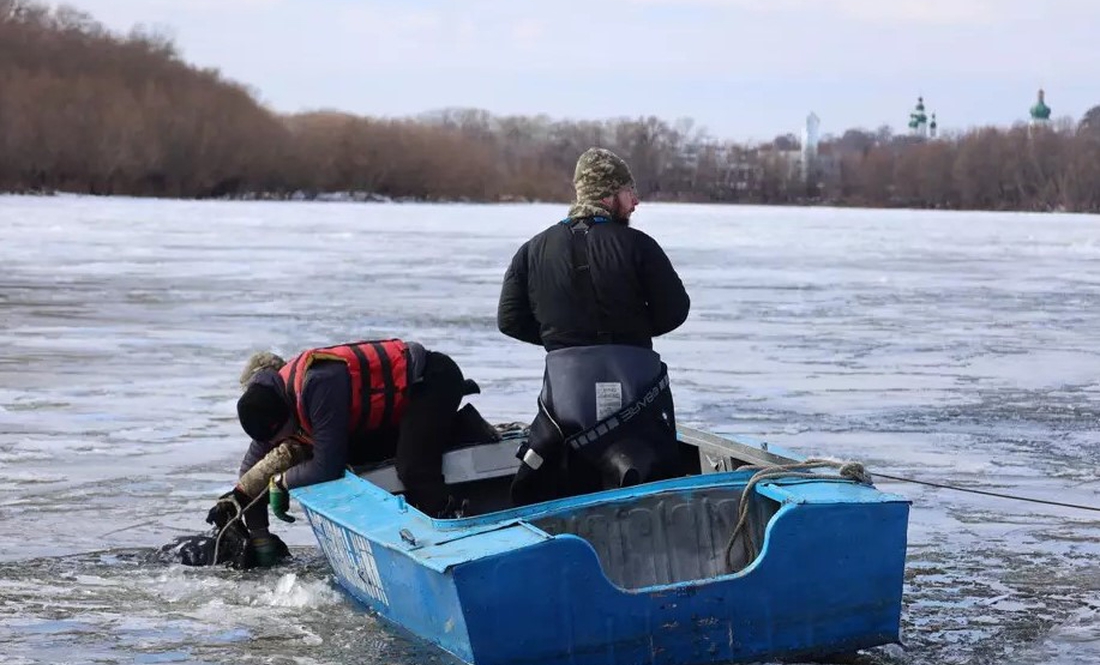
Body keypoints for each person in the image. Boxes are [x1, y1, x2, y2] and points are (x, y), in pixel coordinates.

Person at [497, 147, 691, 505]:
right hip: (636, 389)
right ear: (608, 195)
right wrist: (631, 334)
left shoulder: (532, 250)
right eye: (629, 192)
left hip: (566, 396)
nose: (635, 202)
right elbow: (676, 310)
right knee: (647, 465)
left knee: (570, 466)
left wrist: (563, 341)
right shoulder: (639, 246)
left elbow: (509, 320)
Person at [205, 338, 472, 567]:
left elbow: (327, 467)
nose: (284, 441)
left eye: (284, 434)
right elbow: (250, 473)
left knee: (413, 468)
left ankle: (452, 531)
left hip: (431, 383)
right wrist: (260, 535)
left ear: (286, 412)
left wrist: (282, 481)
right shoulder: (268, 404)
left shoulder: (318, 385)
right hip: (395, 409)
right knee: (358, 461)